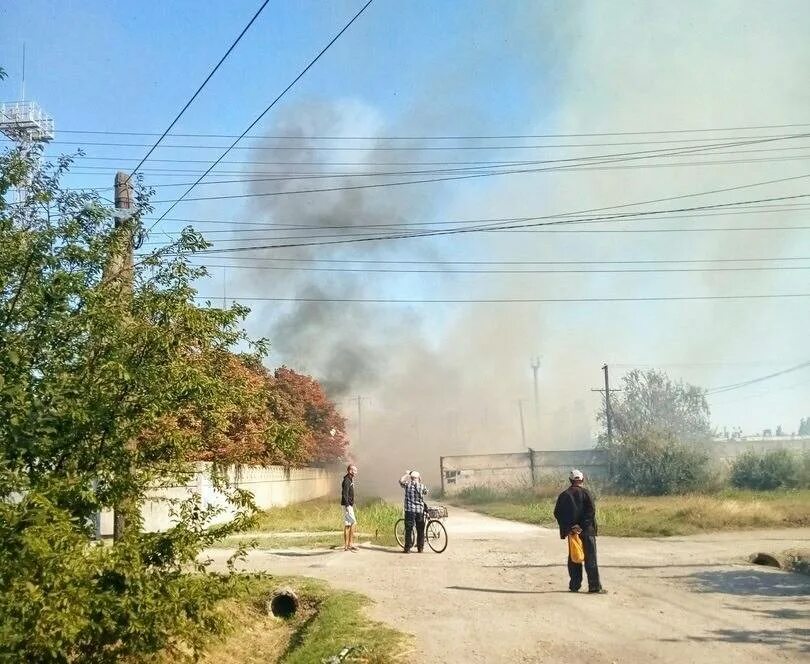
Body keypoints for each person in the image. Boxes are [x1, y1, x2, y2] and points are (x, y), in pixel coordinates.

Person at [553, 469, 606, 594]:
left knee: (574, 558)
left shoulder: (564, 495)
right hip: (587, 531)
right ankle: (594, 587)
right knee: (590, 558)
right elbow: (591, 511)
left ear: (570, 480)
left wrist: (571, 527)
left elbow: (558, 513)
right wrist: (582, 526)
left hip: (573, 533)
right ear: (582, 479)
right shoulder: (586, 493)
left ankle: (574, 586)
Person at [399, 470, 428, 553]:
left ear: (411, 478)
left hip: (409, 511)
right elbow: (426, 492)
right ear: (418, 478)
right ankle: (420, 548)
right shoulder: (422, 486)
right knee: (420, 530)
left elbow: (400, 481)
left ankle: (407, 549)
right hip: (419, 511)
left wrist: (407, 474)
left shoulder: (407, 485)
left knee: (408, 530)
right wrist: (420, 482)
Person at [341, 464, 358, 552]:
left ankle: (346, 546)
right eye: (355, 470)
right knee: (354, 522)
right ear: (350, 471)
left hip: (348, 505)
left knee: (347, 525)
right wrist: (348, 505)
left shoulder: (350, 479)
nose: (356, 472)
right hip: (347, 505)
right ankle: (350, 543)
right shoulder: (347, 480)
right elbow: (344, 494)